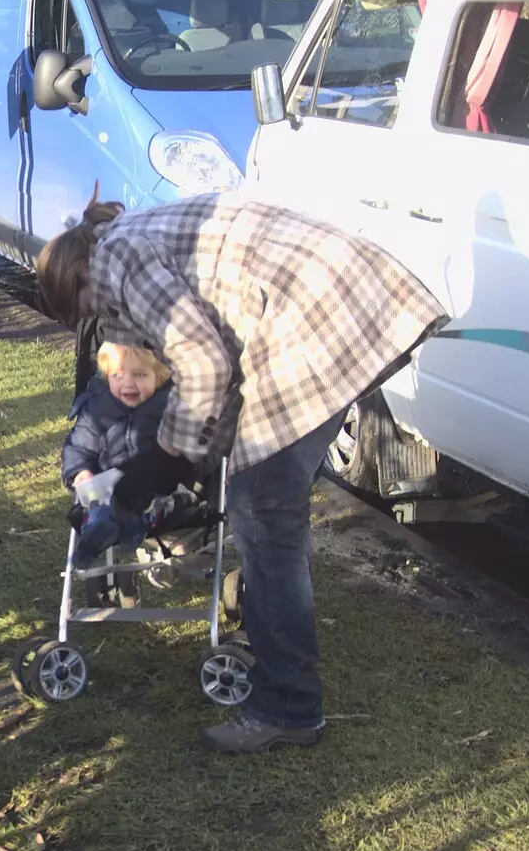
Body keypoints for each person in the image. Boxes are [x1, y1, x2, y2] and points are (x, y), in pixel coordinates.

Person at [36, 193, 448, 753]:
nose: (102, 322)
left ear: (78, 280)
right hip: (332, 302)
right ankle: (278, 652)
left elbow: (202, 361)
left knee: (262, 509)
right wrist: (177, 460)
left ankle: (289, 706)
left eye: (87, 310)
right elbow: (220, 370)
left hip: (315, 320)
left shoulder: (116, 259)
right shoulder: (131, 235)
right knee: (270, 502)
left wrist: (154, 469)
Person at [61, 342, 176, 563]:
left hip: (156, 492)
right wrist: (81, 472)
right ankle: (96, 534)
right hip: (107, 486)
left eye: (140, 375)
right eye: (118, 375)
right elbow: (79, 447)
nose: (128, 384)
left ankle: (126, 523)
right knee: (98, 506)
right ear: (106, 376)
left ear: (160, 376)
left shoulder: (171, 408)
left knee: (144, 498)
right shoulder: (97, 408)